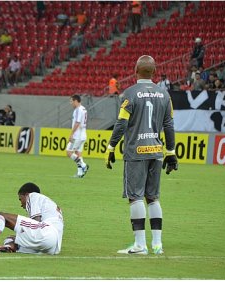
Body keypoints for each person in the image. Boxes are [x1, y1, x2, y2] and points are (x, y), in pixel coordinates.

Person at [104, 55, 177, 255]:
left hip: (136, 152)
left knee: (135, 198)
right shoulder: (164, 94)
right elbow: (169, 124)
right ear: (154, 72)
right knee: (153, 198)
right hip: (156, 151)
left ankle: (140, 245)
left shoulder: (129, 93)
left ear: (135, 70)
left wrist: (111, 147)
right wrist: (171, 152)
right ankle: (157, 245)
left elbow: (121, 123)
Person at [0, 182, 64, 255]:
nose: (21, 204)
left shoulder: (34, 196)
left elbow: (36, 222)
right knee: (11, 239)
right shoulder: (51, 205)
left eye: (20, 199)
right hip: (53, 246)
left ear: (26, 195)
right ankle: (9, 247)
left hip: (45, 232)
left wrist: (19, 227)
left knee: (2, 216)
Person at [66, 94, 89, 178]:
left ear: (76, 101)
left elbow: (77, 122)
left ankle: (84, 165)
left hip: (77, 135)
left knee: (69, 152)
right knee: (78, 153)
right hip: (83, 134)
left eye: (71, 101)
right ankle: (80, 173)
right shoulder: (84, 109)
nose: (71, 103)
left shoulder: (78, 110)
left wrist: (71, 134)